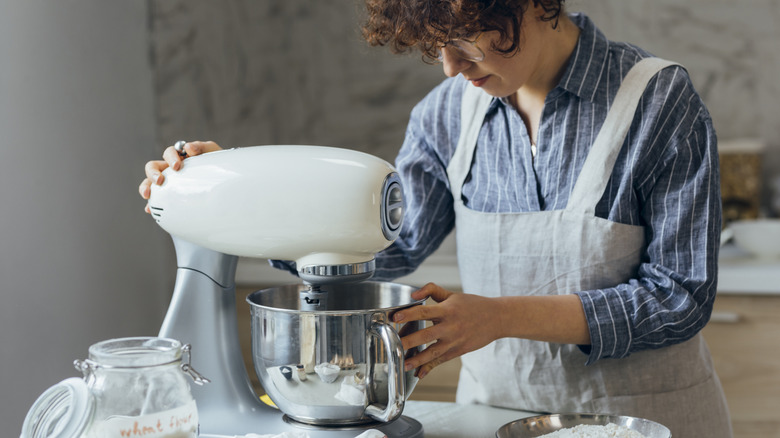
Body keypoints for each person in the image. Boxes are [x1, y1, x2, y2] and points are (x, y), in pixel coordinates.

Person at [139, 1, 732, 436]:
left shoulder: (659, 102)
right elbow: (381, 251)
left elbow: (679, 298)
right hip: (500, 419)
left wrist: (496, 317)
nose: (449, 67)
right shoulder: (447, 114)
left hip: (647, 421)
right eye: (434, 47)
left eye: (464, 41)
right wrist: (237, 189)